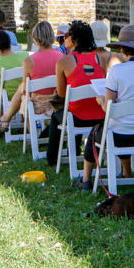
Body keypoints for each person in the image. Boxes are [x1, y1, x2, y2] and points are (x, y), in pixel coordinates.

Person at [80, 25, 134, 191]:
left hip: (119, 136)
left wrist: (101, 100)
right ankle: (126, 172)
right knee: (121, 124)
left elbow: (108, 108)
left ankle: (85, 179)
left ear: (122, 49)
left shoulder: (116, 71)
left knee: (95, 133)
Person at [45, 21, 107, 168]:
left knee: (57, 115)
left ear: (75, 40)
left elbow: (62, 94)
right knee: (75, 107)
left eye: (67, 35)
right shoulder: (101, 59)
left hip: (77, 118)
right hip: (100, 117)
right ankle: (76, 150)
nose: (64, 37)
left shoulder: (63, 62)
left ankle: (52, 158)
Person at [0, 22, 63, 131]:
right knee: (22, 88)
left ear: (35, 38)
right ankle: (5, 119)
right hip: (60, 103)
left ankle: (8, 121)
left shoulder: (29, 60)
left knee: (23, 91)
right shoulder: (62, 57)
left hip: (38, 105)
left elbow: (25, 90)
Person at [0, 31, 29, 114]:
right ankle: (22, 118)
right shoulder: (24, 56)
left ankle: (3, 115)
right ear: (9, 44)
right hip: (24, 92)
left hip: (6, 96)